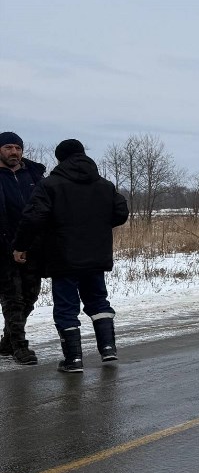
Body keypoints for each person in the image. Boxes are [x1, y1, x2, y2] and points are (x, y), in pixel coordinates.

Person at [13, 139, 128, 373]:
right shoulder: (104, 185)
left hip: (63, 257)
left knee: (66, 307)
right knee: (98, 301)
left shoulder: (50, 185)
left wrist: (20, 246)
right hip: (96, 256)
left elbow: (34, 217)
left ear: (59, 159)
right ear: (83, 155)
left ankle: (73, 360)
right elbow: (121, 213)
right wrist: (97, 226)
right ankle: (108, 348)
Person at [0, 131, 46, 365]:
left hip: (32, 246)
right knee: (12, 298)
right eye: (8, 147)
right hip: (3, 247)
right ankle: (20, 347)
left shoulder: (35, 174)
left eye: (17, 148)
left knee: (30, 296)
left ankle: (7, 340)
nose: (14, 152)